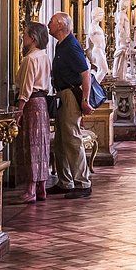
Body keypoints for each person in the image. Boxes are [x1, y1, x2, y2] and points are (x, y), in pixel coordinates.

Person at [47, 11, 96, 199]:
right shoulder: (61, 45)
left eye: (51, 21)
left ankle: (83, 182)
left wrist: (85, 100)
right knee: (60, 141)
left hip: (70, 96)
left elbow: (85, 74)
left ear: (60, 25)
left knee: (72, 139)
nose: (48, 24)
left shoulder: (71, 46)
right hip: (62, 94)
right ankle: (65, 181)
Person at [14, 22, 55, 202]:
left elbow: (26, 87)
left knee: (30, 145)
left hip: (31, 103)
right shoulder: (44, 56)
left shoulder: (30, 59)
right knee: (42, 144)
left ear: (33, 38)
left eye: (25, 34)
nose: (23, 37)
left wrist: (19, 109)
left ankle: (30, 189)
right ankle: (41, 187)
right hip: (42, 103)